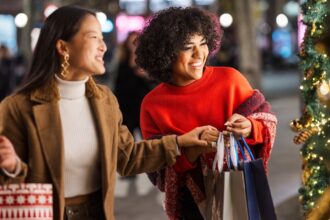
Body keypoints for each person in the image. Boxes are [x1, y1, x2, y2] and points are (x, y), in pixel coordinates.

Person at [0, 6, 219, 220]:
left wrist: (180, 143)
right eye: (93, 37)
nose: (103, 46)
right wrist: (12, 168)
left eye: (102, 37)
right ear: (63, 47)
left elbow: (127, 158)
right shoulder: (18, 107)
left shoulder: (104, 99)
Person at [135, 7, 278, 219]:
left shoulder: (230, 79)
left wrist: (250, 127)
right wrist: (192, 151)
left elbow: (265, 121)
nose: (199, 54)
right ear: (165, 53)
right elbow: (158, 173)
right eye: (187, 47)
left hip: (241, 195)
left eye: (202, 43)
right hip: (191, 208)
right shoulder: (152, 104)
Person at [114, 31, 155, 138]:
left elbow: (154, 83)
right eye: (131, 42)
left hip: (142, 103)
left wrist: (146, 75)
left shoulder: (147, 61)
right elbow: (118, 83)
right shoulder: (122, 59)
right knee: (128, 137)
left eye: (136, 42)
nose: (133, 45)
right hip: (126, 104)